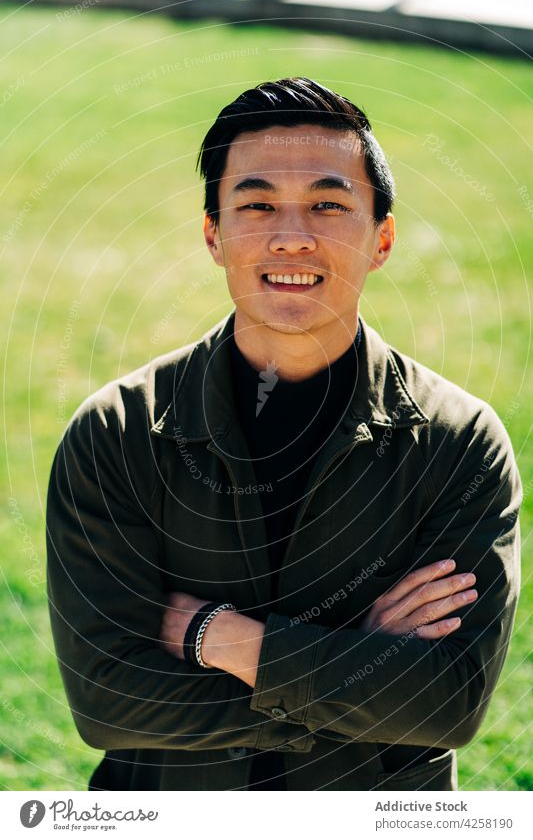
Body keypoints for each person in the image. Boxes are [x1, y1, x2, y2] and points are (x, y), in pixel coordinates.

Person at [46, 77, 522, 792]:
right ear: (213, 234)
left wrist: (217, 636)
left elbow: (445, 704)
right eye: (257, 204)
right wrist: (357, 658)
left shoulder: (458, 442)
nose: (291, 235)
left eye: (328, 205)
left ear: (381, 237)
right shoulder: (115, 432)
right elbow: (110, 704)